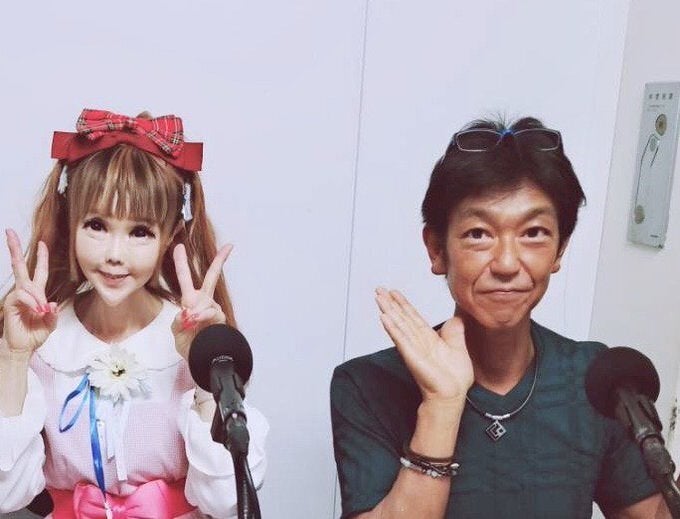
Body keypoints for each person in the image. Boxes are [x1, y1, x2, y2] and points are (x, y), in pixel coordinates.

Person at [330, 117, 669, 518]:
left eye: (534, 233)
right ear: (437, 249)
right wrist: (441, 404)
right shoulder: (368, 385)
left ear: (560, 249)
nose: (507, 263)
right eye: (478, 234)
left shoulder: (597, 379)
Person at [0, 109, 267, 518]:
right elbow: (7, 495)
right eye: (96, 225)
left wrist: (204, 372)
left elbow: (226, 498)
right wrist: (14, 357)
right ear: (70, 222)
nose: (114, 254)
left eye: (140, 232)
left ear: (170, 236)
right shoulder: (45, 339)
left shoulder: (187, 337)